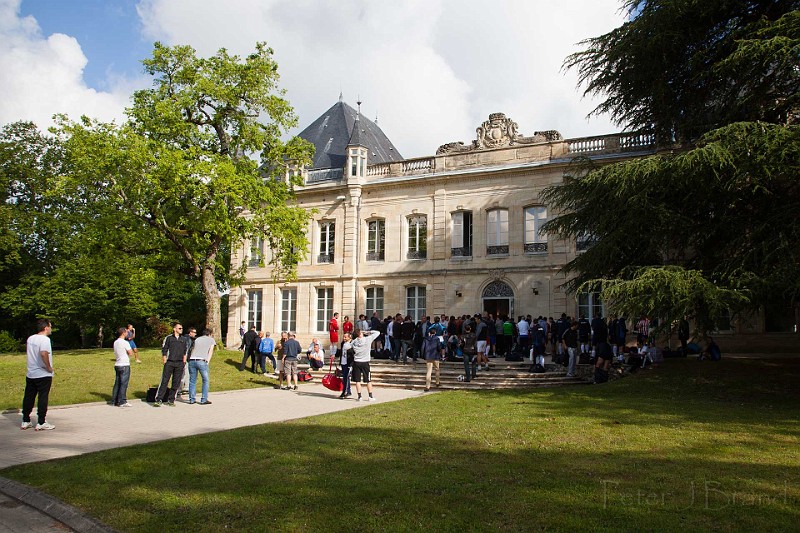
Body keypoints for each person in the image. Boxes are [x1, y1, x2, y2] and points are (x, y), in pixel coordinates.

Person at [21, 319, 55, 430]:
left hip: (31, 373)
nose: (51, 328)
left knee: (29, 397)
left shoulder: (30, 338)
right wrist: (48, 367)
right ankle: (41, 421)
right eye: (50, 326)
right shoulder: (45, 340)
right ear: (46, 328)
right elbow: (43, 353)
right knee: (43, 397)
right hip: (43, 373)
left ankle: (25, 420)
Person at [155, 322, 189, 406]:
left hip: (179, 363)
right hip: (170, 362)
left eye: (182, 328)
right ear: (175, 329)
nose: (181, 330)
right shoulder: (169, 338)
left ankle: (171, 400)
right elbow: (164, 349)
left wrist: (184, 361)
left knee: (176, 382)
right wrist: (165, 360)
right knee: (164, 381)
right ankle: (159, 399)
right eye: (179, 328)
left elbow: (185, 351)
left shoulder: (183, 339)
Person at [351, 328, 380, 401]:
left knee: (357, 380)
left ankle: (359, 396)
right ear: (361, 333)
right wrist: (368, 332)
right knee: (368, 380)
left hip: (357, 361)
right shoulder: (367, 339)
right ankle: (370, 396)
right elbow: (377, 332)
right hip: (365, 361)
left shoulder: (354, 342)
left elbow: (349, 346)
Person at [188, 328, 215, 405]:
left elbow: (193, 349)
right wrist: (207, 361)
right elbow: (210, 351)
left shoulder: (197, 339)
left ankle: (192, 399)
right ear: (209, 334)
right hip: (202, 361)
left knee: (192, 380)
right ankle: (204, 399)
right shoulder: (211, 340)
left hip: (192, 360)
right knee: (205, 380)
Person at [111, 326, 133, 408]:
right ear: (123, 333)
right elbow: (130, 353)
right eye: (126, 332)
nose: (127, 333)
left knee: (117, 383)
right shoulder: (125, 342)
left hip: (117, 364)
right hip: (124, 364)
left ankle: (115, 400)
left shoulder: (116, 342)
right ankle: (122, 401)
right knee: (124, 383)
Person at [338, 332, 354, 399]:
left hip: (348, 363)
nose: (344, 338)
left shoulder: (352, 344)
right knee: (345, 377)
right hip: (343, 362)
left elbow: (353, 353)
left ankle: (344, 392)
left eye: (345, 337)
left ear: (349, 337)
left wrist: (349, 350)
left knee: (346, 377)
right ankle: (348, 391)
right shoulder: (343, 343)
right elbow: (341, 352)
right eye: (343, 337)